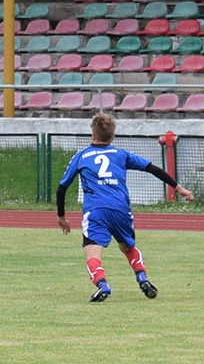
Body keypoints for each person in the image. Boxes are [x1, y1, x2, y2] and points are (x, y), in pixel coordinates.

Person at [57, 113, 194, 302]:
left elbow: (62, 188)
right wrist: (179, 188)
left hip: (96, 211)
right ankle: (142, 277)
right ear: (112, 137)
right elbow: (152, 168)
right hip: (121, 210)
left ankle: (103, 284)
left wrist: (61, 216)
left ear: (93, 135)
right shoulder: (121, 154)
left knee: (92, 252)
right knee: (128, 246)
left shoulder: (82, 156)